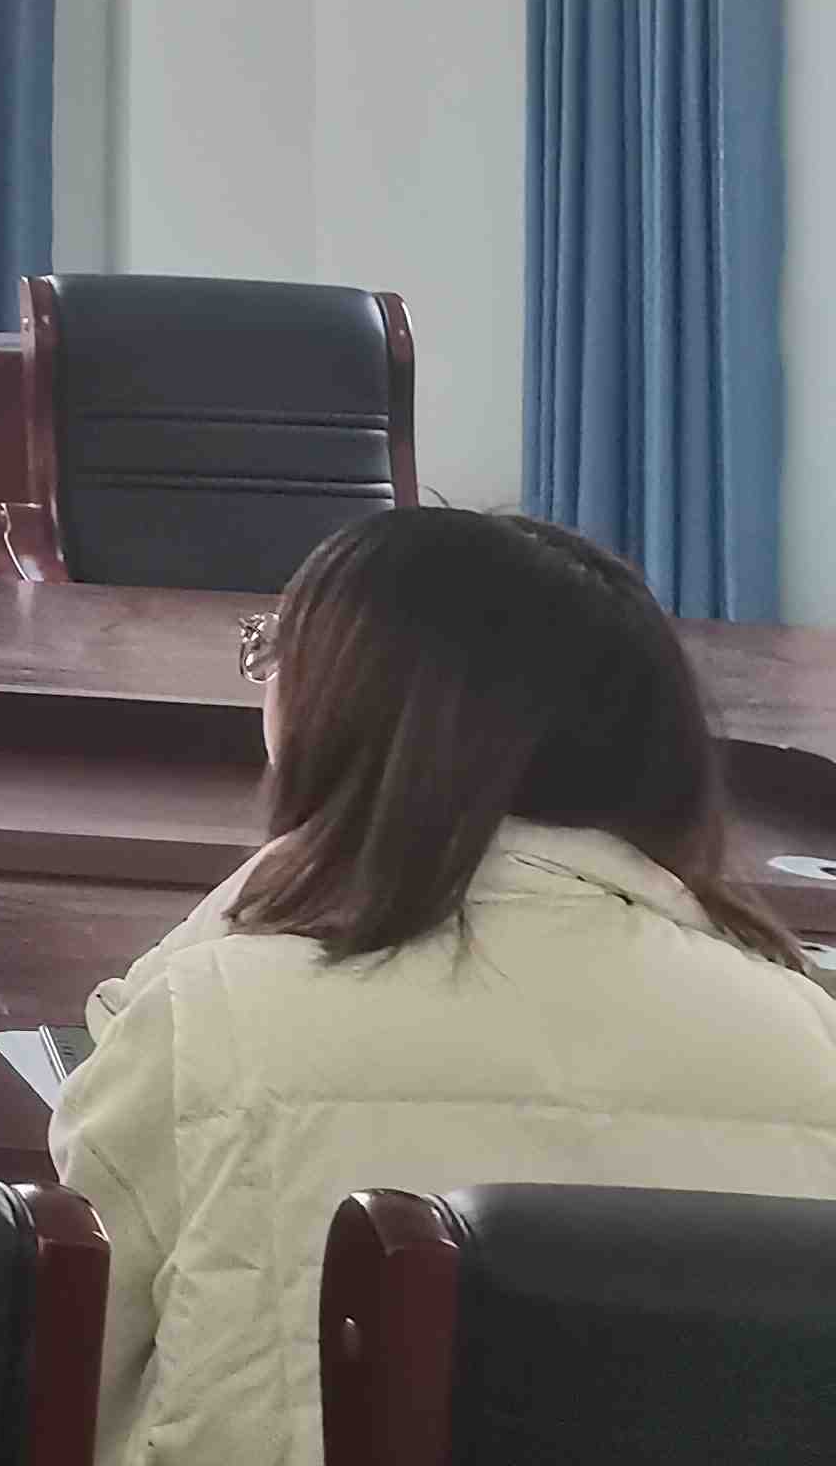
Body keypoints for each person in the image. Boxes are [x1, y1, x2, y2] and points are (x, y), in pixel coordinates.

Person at [55, 507, 836, 1466]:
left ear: (342, 705)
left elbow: (58, 1377)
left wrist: (226, 926)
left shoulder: (212, 1013)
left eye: (276, 652)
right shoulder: (811, 1033)